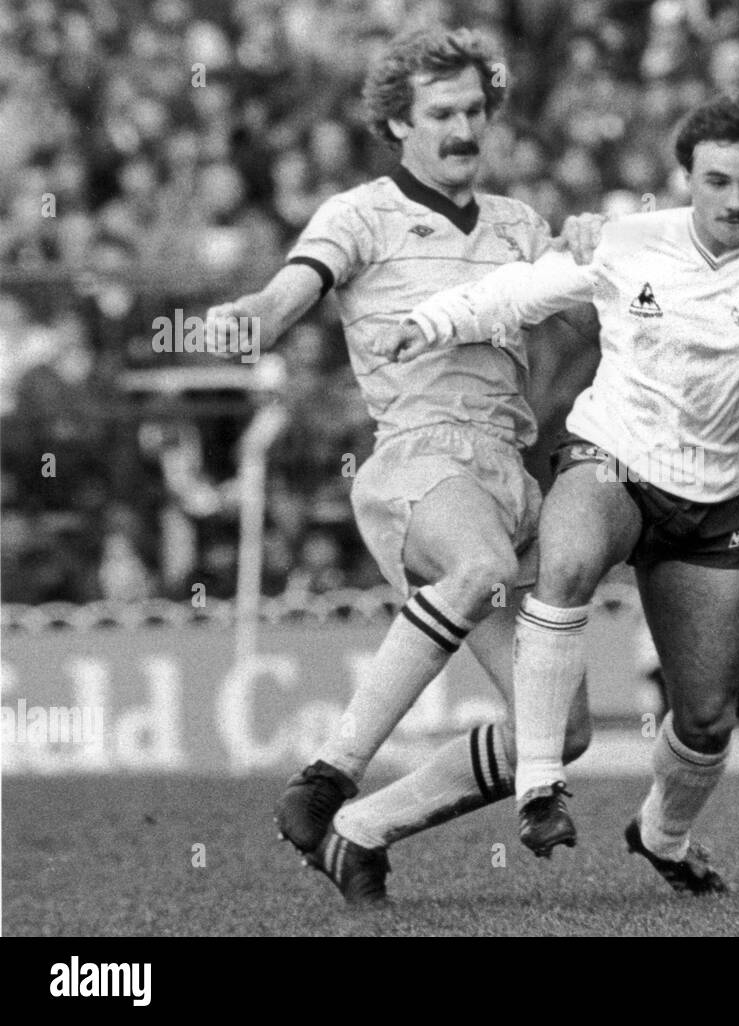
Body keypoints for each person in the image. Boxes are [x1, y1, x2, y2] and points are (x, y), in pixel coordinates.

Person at [383, 90, 739, 893]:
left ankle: (661, 835)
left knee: (705, 719)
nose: (735, 200)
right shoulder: (629, 244)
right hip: (614, 455)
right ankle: (541, 785)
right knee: (567, 562)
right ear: (686, 178)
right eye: (718, 180)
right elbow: (518, 292)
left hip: (713, 503)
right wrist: (434, 321)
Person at [204, 27, 603, 906]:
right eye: (441, 114)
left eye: (473, 111)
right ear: (397, 125)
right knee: (480, 567)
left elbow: (597, 329)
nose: (464, 129)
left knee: (559, 730)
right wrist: (252, 316)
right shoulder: (359, 215)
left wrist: (602, 261)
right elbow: (289, 290)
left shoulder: (517, 225)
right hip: (418, 460)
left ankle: (360, 830)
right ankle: (327, 777)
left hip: (509, 473)